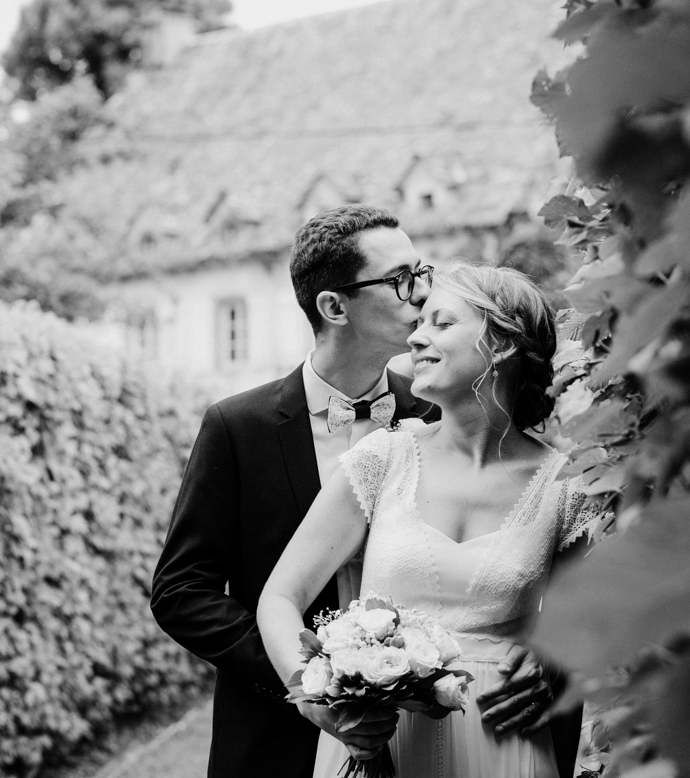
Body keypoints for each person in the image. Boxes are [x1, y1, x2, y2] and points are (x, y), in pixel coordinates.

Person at [151, 208, 567, 778]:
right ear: (334, 307)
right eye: (402, 280)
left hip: (478, 731)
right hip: (283, 730)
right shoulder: (237, 425)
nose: (420, 297)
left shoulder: (441, 406)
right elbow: (182, 589)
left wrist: (549, 652)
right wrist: (323, 681)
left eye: (423, 274)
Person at [258, 264, 596, 778]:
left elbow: (590, 624)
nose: (415, 337)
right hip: (382, 744)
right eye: (421, 323)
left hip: (503, 745)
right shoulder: (383, 458)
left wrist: (552, 656)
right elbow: (280, 597)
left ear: (501, 343)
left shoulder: (567, 487)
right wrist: (313, 696)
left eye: (441, 323)